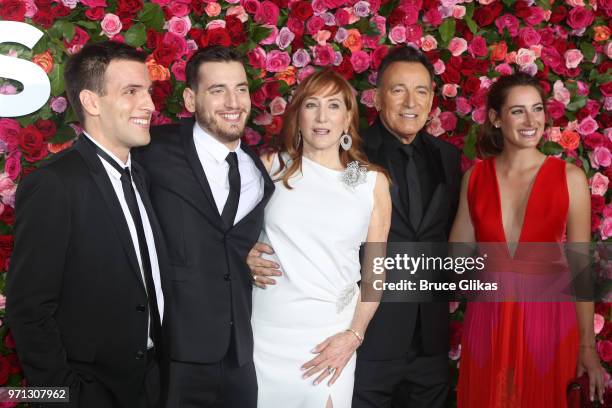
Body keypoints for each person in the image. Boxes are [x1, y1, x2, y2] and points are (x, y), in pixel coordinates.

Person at [249, 46, 462, 408]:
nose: (411, 101)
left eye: (421, 91)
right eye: (398, 90)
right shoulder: (287, 164)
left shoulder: (438, 160)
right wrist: (245, 253)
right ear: (377, 99)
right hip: (307, 332)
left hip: (405, 336)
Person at [6, 41, 168, 408]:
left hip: (152, 384)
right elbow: (29, 309)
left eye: (148, 91)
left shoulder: (140, 176)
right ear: (91, 102)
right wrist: (64, 398)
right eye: (132, 92)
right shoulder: (54, 184)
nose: (150, 105)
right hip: (88, 393)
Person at [450, 72, 605, 407]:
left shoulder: (570, 178)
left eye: (537, 109)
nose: (531, 120)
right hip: (488, 321)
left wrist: (587, 347)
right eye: (518, 111)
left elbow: (581, 268)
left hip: (548, 323)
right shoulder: (474, 178)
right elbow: (456, 261)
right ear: (495, 118)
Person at [133, 46, 274, 408]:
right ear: (191, 99)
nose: (233, 101)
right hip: (173, 354)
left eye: (241, 89)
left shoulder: (257, 171)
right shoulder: (151, 151)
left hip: (239, 355)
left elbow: (232, 243)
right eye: (218, 90)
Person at [249, 69, 391, 408]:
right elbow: (228, 236)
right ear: (298, 115)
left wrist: (354, 335)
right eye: (312, 105)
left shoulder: (370, 182)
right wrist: (245, 254)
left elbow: (376, 273)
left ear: (348, 119)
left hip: (330, 336)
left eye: (333, 106)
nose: (322, 116)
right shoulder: (270, 167)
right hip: (265, 332)